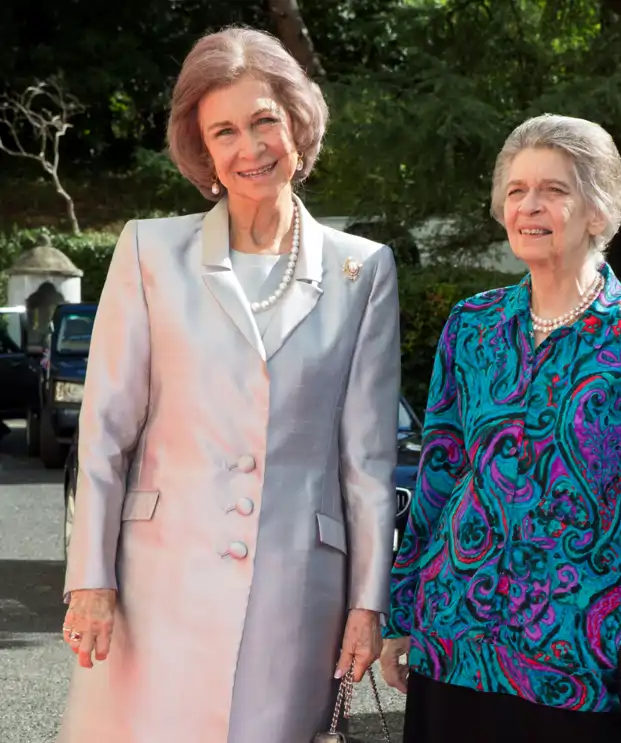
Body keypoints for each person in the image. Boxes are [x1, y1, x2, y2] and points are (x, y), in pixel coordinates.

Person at [58, 27, 400, 743]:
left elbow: (366, 459)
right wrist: (89, 579)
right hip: (155, 588)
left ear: (298, 126)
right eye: (225, 131)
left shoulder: (363, 270)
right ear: (203, 151)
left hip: (297, 593)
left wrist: (369, 603)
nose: (251, 147)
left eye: (264, 120)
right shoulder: (150, 250)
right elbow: (106, 436)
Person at [380, 114, 621, 743]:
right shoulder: (471, 326)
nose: (529, 206)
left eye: (555, 190)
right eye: (516, 190)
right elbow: (441, 472)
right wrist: (404, 607)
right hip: (455, 634)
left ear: (598, 211)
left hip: (579, 652)